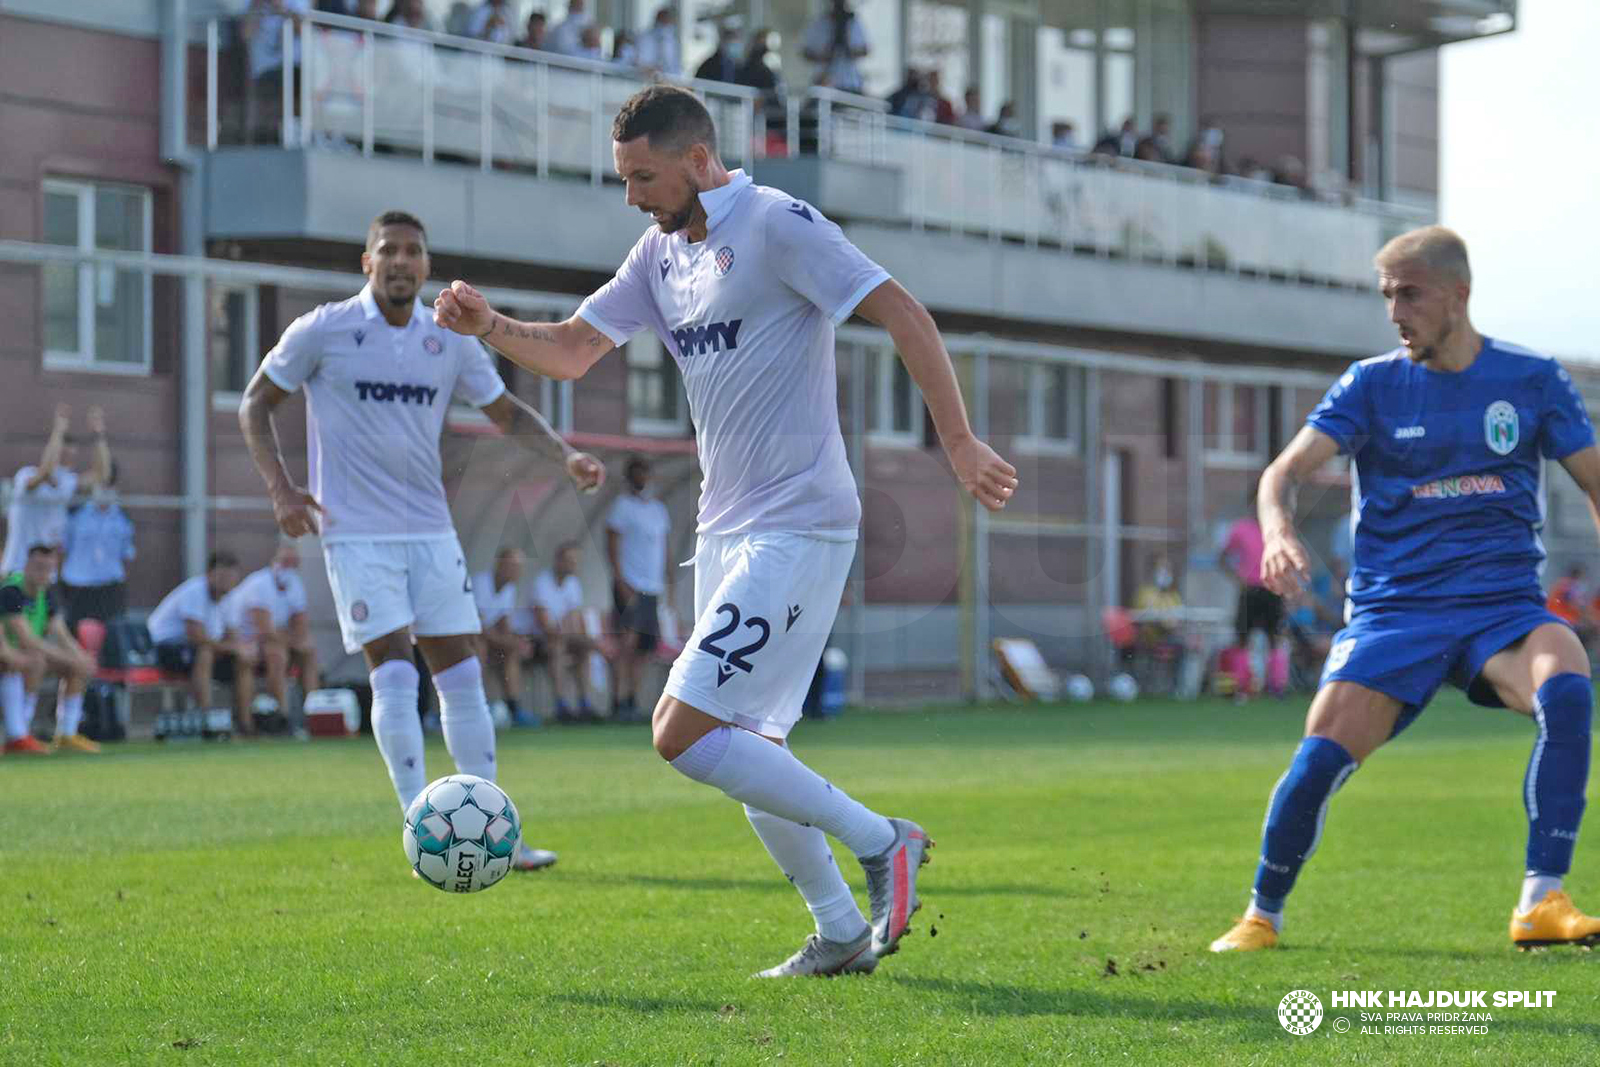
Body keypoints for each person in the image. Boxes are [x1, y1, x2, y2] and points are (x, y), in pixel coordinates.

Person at [433, 85, 1018, 974]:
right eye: (623, 178)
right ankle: (840, 932)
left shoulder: (778, 221)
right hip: (724, 530)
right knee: (747, 745)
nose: (632, 196)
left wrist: (959, 440)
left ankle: (881, 839)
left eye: (644, 177)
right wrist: (489, 327)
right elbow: (570, 349)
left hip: (801, 522)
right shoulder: (658, 254)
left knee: (683, 729)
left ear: (700, 160)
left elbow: (901, 309)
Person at [1209, 226, 1600, 954]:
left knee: (1568, 679)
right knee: (1320, 753)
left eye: (1410, 294)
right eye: (1387, 294)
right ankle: (1262, 913)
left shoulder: (1533, 378)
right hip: (1396, 614)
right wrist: (1279, 532)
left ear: (1459, 294)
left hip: (1502, 609)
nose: (1395, 310)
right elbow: (1282, 474)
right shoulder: (1371, 384)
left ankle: (1541, 900)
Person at [239, 210, 604, 873]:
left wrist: (565, 456)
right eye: (389, 250)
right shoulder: (324, 329)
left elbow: (504, 411)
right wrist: (282, 491)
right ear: (367, 262)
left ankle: (501, 832)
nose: (402, 261)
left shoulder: (451, 340)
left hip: (431, 530)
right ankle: (421, 829)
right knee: (395, 670)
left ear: (427, 266)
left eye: (413, 251)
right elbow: (255, 403)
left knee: (463, 674)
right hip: (357, 534)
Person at [1, 545, 98, 754]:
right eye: (39, 567)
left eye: (49, 568)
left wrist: (80, 657)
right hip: (11, 656)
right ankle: (17, 734)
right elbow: (27, 640)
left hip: (22, 654)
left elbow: (61, 633)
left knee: (77, 666)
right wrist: (69, 658)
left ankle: (67, 733)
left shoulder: (47, 594)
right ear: (26, 565)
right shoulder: (10, 591)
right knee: (34, 661)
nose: (44, 573)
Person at [147, 552, 254, 734]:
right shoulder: (194, 591)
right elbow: (195, 636)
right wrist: (235, 648)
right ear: (209, 574)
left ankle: (246, 724)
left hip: (198, 649)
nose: (226, 581)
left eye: (231, 577)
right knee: (205, 652)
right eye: (222, 576)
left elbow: (232, 635)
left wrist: (243, 650)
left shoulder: (229, 599)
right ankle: (205, 720)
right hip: (165, 649)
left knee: (242, 660)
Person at [4, 404, 112, 576]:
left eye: (72, 457)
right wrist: (59, 430)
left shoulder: (67, 483)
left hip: (45, 575)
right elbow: (46, 470)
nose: (69, 461)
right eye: (64, 455)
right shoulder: (25, 476)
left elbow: (102, 475)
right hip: (18, 570)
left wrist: (99, 435)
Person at [223, 541, 321, 730]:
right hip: (246, 641)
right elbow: (264, 630)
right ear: (274, 561)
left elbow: (301, 624)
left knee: (309, 651)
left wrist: (297, 640)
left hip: (272, 641)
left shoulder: (295, 584)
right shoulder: (260, 584)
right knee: (277, 655)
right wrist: (292, 639)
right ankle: (281, 717)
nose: (288, 567)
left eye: (293, 562)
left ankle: (314, 715)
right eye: (285, 561)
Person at [607, 456, 672, 723]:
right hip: (631, 584)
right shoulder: (622, 506)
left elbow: (664, 549)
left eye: (645, 473)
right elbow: (611, 544)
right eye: (637, 474)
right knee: (627, 645)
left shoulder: (658, 509)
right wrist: (621, 581)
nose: (642, 479)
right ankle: (616, 701)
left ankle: (632, 700)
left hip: (652, 588)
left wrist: (668, 584)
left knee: (645, 650)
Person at [1221, 483, 1285, 697]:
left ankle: (1276, 687)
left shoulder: (1277, 529)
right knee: (1242, 638)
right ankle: (1241, 687)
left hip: (1272, 588)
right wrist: (1238, 579)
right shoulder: (1240, 529)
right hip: (1250, 589)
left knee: (1274, 639)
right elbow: (1222, 558)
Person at [531, 541, 598, 723]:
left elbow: (573, 620)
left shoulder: (573, 583)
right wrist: (573, 636)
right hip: (537, 640)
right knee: (558, 647)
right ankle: (561, 705)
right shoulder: (542, 582)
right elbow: (546, 626)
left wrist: (586, 641)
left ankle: (584, 703)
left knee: (585, 648)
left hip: (563, 638)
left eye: (576, 561)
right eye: (569, 560)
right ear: (558, 561)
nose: (573, 565)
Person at [58, 473, 135, 630]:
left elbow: (126, 554)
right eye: (102, 485)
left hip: (110, 584)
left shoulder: (122, 517)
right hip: (77, 582)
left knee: (113, 635)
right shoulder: (76, 514)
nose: (105, 491)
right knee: (74, 632)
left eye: (109, 486)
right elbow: (62, 548)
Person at [474, 546, 538, 726]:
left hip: (486, 638)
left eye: (519, 567)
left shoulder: (508, 590)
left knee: (511, 652)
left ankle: (513, 708)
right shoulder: (480, 583)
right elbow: (478, 627)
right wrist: (508, 642)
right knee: (481, 647)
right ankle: (476, 706)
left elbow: (504, 623)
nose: (516, 571)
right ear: (499, 564)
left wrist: (516, 643)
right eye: (512, 565)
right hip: (466, 639)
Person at [801, 0, 869, 95]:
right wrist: (824, 56)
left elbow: (865, 50)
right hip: (824, 82)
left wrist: (846, 44)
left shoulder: (853, 23)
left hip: (850, 83)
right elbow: (805, 52)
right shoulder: (819, 24)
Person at [635, 6, 682, 77]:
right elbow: (640, 63)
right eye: (664, 19)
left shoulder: (672, 41)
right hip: (647, 79)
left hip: (670, 80)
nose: (666, 23)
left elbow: (675, 66)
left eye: (669, 20)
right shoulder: (645, 38)